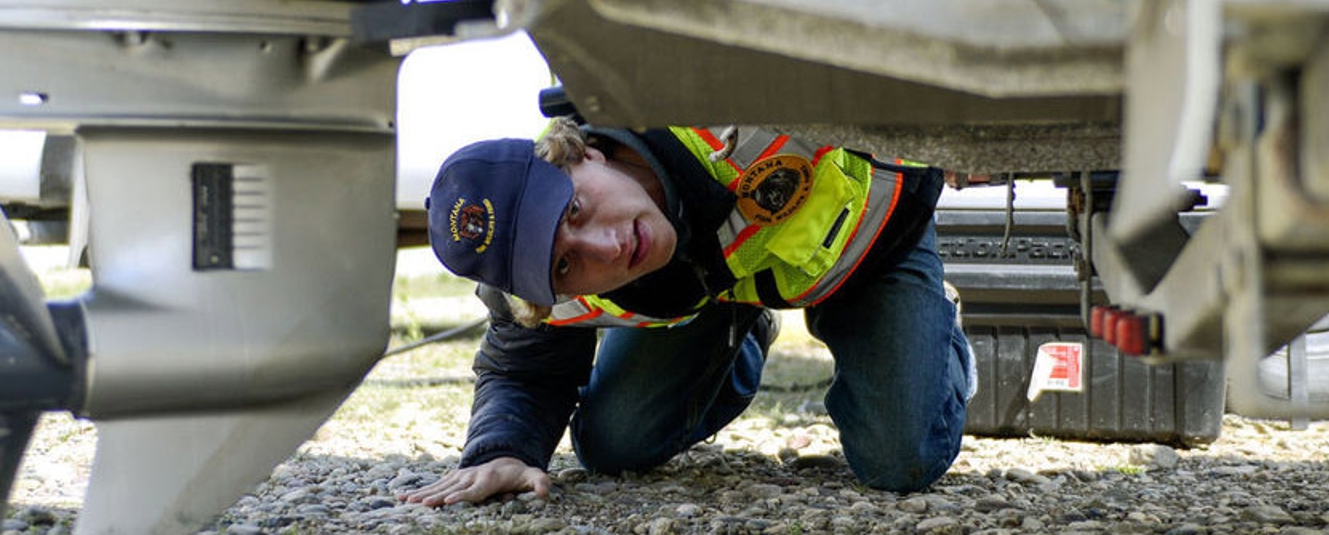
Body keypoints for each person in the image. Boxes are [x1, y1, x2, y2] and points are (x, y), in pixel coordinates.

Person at [401, 116, 975, 507]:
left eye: (575, 209)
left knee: (901, 459)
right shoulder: (534, 293)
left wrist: (960, 138)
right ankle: (744, 330)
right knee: (612, 446)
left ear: (582, 152)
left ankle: (933, 325)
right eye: (565, 267)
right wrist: (503, 451)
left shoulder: (708, 105)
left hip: (874, 243)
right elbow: (522, 368)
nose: (605, 247)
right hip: (717, 293)